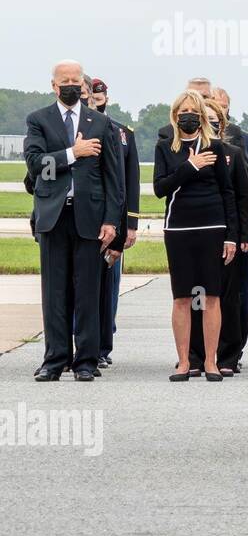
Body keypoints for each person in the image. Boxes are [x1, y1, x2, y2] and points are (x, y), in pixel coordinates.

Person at [25, 60, 124, 381]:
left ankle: (86, 361)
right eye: (63, 80)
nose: (70, 85)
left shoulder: (101, 123)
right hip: (53, 216)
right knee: (54, 292)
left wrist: (112, 220)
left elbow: (113, 177)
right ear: (54, 86)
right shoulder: (39, 120)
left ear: (83, 85)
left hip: (90, 219)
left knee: (87, 292)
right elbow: (37, 164)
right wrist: (73, 152)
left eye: (75, 80)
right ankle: (54, 360)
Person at [154, 90, 236, 381]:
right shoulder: (165, 147)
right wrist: (190, 166)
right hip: (178, 228)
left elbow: (228, 192)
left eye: (193, 111)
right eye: (183, 111)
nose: (188, 116)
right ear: (175, 116)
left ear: (201, 115)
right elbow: (160, 188)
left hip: (212, 227)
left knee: (212, 296)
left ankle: (211, 361)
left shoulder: (214, 146)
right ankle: (184, 361)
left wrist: (231, 235)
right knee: (182, 298)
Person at [185, 101, 248, 375]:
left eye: (215, 119)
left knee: (227, 296)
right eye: (206, 118)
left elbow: (242, 196)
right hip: (195, 232)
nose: (210, 123)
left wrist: (243, 234)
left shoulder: (233, 153)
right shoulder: (187, 153)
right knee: (195, 296)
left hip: (227, 232)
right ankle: (196, 354)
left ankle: (227, 356)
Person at [89, 77, 139, 370]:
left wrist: (130, 223)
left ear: (107, 96)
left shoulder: (123, 133)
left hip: (114, 222)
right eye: (90, 95)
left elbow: (129, 182)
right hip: (86, 219)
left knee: (109, 286)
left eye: (99, 94)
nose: (96, 98)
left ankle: (104, 345)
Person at [212, 86, 248, 364]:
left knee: (237, 293)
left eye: (224, 106)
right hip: (206, 223)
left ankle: (233, 349)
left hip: (236, 227)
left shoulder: (242, 139)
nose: (220, 111)